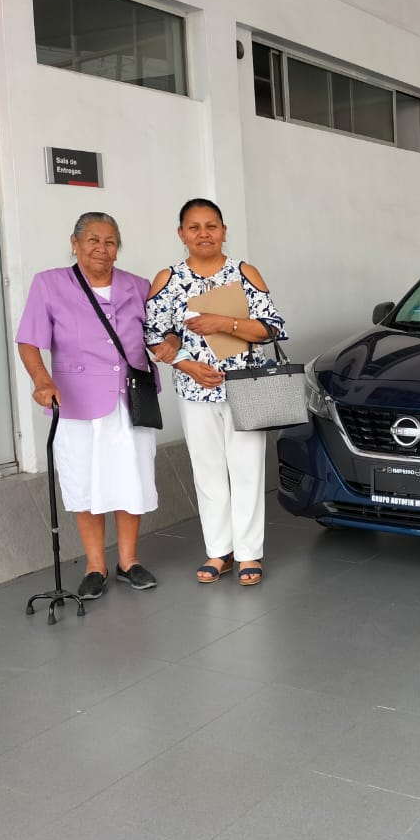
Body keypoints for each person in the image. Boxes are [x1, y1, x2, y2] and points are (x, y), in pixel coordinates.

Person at [16, 212, 160, 600]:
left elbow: (158, 336)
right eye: (93, 240)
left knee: (132, 478)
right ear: (75, 243)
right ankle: (95, 566)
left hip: (131, 399)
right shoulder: (49, 284)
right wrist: (42, 380)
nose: (101, 248)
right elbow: (28, 340)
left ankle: (129, 562)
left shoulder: (138, 286)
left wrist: (173, 346)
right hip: (76, 400)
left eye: (110, 241)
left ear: (118, 248)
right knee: (84, 480)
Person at [146, 198, 285, 586]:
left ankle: (249, 553)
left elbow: (271, 328)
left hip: (245, 386)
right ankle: (218, 551)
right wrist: (186, 364)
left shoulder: (244, 273)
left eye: (211, 226)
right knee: (207, 472)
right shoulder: (168, 279)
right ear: (181, 234)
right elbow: (153, 336)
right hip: (195, 388)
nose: (203, 234)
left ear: (224, 231)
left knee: (247, 471)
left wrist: (224, 322)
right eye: (194, 227)